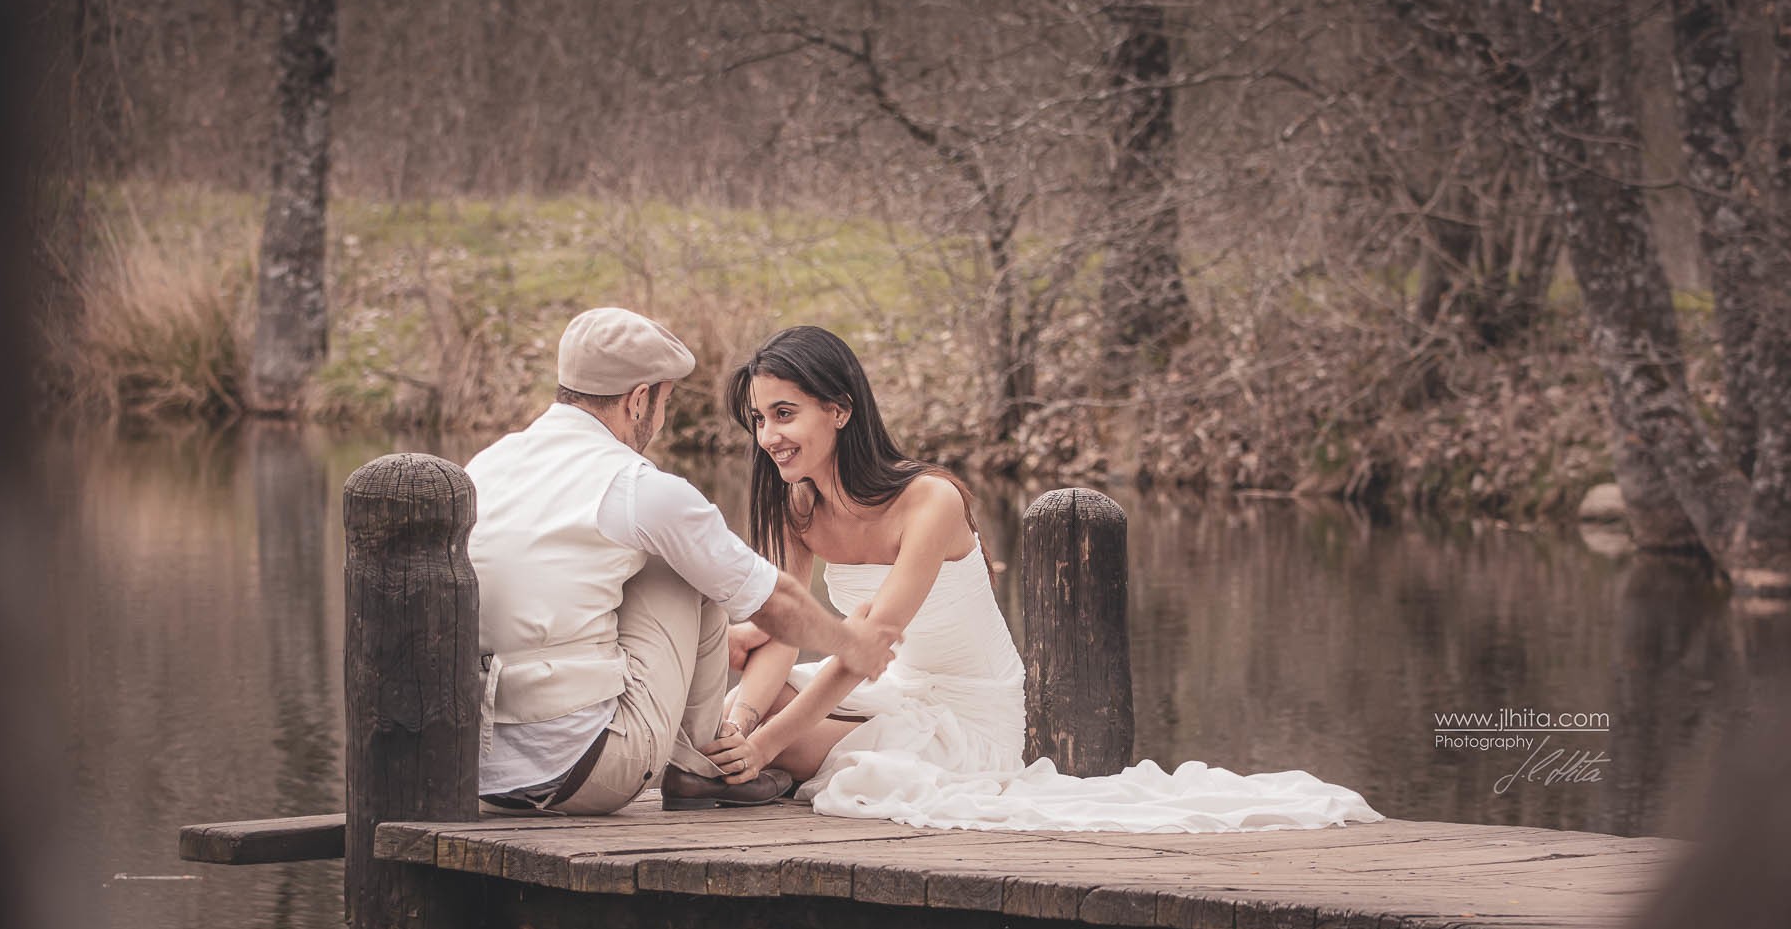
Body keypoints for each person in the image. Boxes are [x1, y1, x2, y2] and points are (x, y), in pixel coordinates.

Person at [705, 325, 1383, 832]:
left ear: (841, 409)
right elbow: (785, 629)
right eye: (760, 419)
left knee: (775, 738)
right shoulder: (798, 509)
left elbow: (867, 641)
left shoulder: (929, 502)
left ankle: (764, 765)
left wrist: (763, 740)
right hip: (895, 692)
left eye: (785, 413)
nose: (769, 436)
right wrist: (740, 718)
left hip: (968, 715)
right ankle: (750, 758)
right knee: (722, 695)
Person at [465, 307, 899, 815]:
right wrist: (854, 644)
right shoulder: (634, 486)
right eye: (665, 401)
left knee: (670, 557)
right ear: (639, 399)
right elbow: (773, 601)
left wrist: (726, 639)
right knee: (688, 561)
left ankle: (702, 758)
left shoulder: (489, 463)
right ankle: (698, 768)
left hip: (479, 768)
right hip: (579, 772)